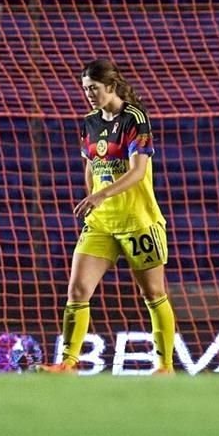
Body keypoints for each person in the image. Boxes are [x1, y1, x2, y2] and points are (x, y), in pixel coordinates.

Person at [40, 59, 175, 374]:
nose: (89, 94)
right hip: (102, 223)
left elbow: (138, 172)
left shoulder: (135, 119)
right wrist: (93, 199)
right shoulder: (90, 121)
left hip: (137, 221)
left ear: (111, 86)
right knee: (77, 290)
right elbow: (90, 164)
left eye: (94, 88)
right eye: (86, 89)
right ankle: (69, 362)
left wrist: (101, 194)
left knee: (153, 293)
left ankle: (165, 366)